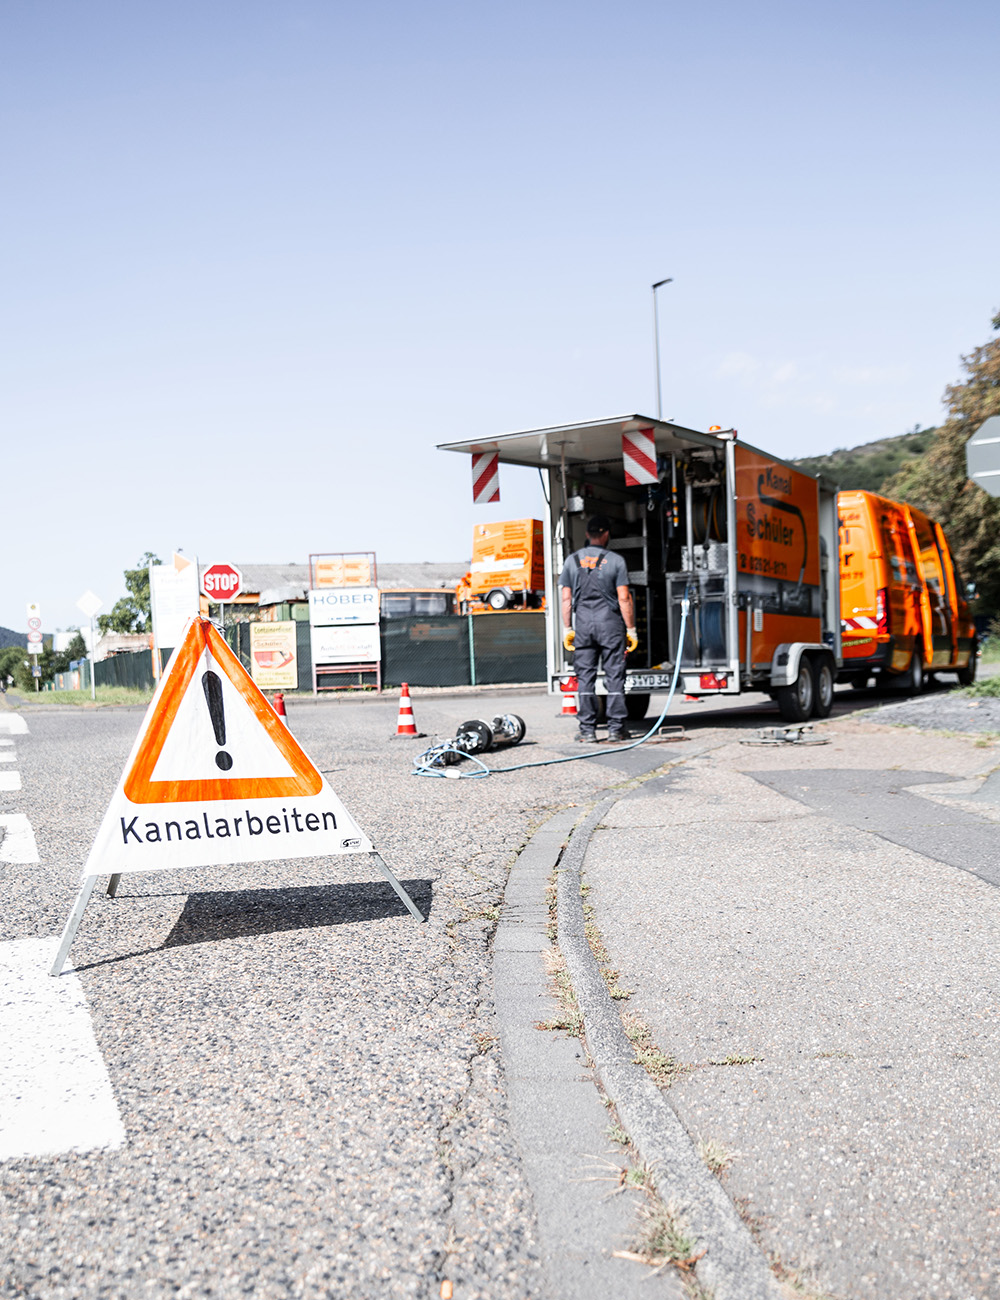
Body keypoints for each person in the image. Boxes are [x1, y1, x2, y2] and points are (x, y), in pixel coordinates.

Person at [559, 514, 638, 742]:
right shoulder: (616, 561)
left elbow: (566, 599)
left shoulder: (571, 561)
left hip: (583, 625)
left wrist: (568, 628)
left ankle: (587, 730)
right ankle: (615, 729)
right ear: (606, 535)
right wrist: (630, 629)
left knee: (585, 677)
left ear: (587, 534)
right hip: (610, 625)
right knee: (615, 676)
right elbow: (624, 598)